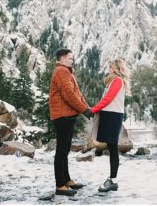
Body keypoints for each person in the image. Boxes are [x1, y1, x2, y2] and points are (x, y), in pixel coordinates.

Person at [49, 48, 94, 196]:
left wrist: (86, 108)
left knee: (65, 149)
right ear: (61, 59)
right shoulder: (62, 72)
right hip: (62, 116)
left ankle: (66, 180)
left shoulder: (67, 71)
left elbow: (77, 93)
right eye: (70, 58)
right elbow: (69, 95)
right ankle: (60, 185)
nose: (72, 60)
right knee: (61, 150)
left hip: (67, 115)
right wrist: (84, 110)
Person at [90, 58, 131, 192]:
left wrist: (93, 109)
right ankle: (112, 180)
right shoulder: (112, 81)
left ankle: (113, 180)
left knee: (113, 148)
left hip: (113, 116)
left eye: (110, 67)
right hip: (109, 115)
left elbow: (107, 99)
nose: (108, 69)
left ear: (116, 68)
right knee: (110, 146)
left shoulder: (117, 80)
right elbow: (106, 99)